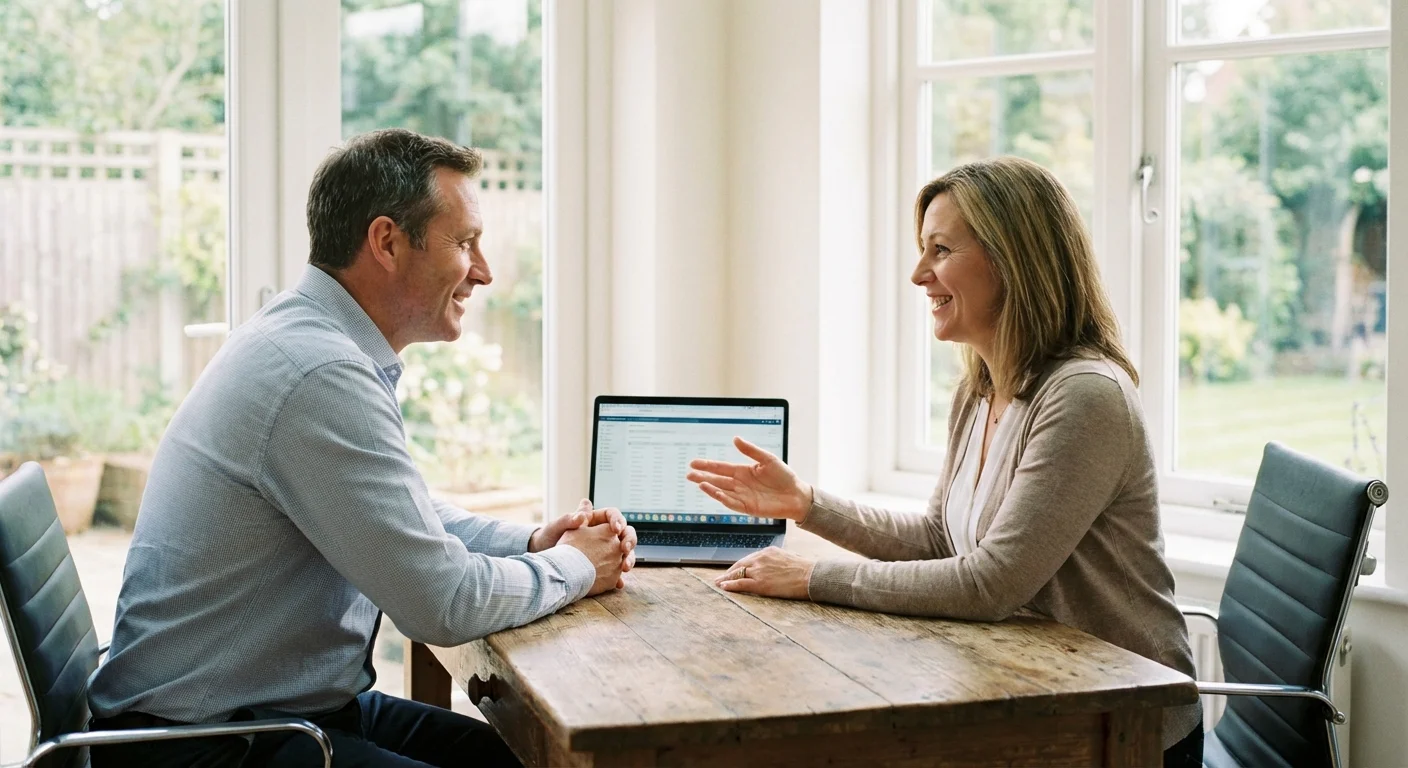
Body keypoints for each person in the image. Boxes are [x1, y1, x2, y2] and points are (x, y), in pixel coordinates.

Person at [87, 128, 637, 767]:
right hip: (210, 744)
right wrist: (577, 567)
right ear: (386, 242)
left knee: (526, 758)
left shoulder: (306, 338)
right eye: (464, 243)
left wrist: (533, 543)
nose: (483, 272)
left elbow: (401, 519)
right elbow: (443, 602)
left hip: (275, 713)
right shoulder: (317, 372)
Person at [686, 156, 1203, 767]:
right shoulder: (982, 385)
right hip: (1032, 689)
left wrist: (809, 579)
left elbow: (989, 583)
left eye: (941, 250)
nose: (918, 274)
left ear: (1014, 258)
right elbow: (939, 539)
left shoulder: (1086, 396)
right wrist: (806, 505)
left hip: (1124, 724)